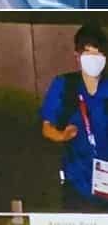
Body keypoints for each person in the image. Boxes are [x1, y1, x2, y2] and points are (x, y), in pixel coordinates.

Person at [40, 22, 108, 211]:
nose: (94, 59)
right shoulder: (65, 85)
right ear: (77, 56)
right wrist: (61, 136)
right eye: (88, 53)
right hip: (77, 183)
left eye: (99, 54)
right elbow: (47, 127)